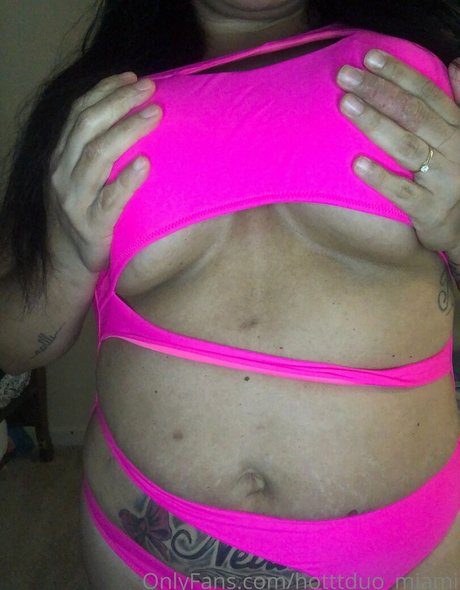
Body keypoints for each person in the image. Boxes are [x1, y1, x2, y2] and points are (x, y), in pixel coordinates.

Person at [1, 1, 460, 588]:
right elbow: (15, 348)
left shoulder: (432, 74)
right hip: (148, 557)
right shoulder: (92, 111)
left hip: (406, 561)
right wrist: (66, 258)